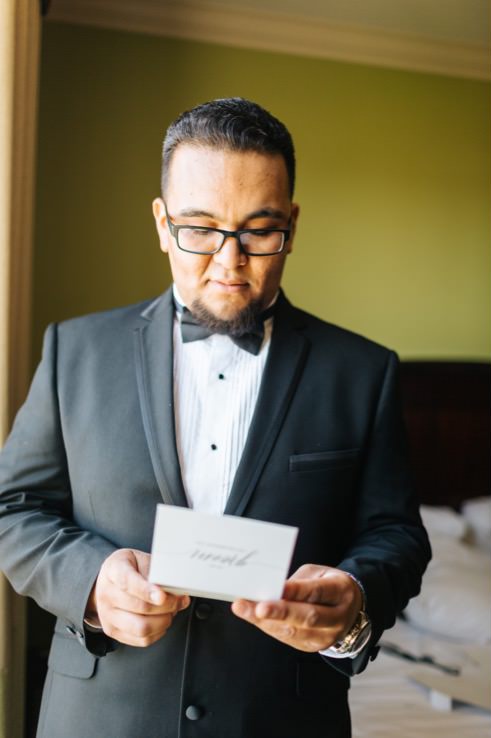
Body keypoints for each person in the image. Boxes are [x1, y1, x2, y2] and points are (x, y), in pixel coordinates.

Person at [0, 98, 430, 737]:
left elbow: (396, 534)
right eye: (199, 229)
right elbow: (14, 508)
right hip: (99, 716)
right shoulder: (75, 352)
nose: (230, 263)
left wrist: (356, 599)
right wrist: (90, 582)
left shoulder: (364, 371)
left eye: (259, 230)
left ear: (293, 223)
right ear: (160, 221)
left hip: (283, 716)